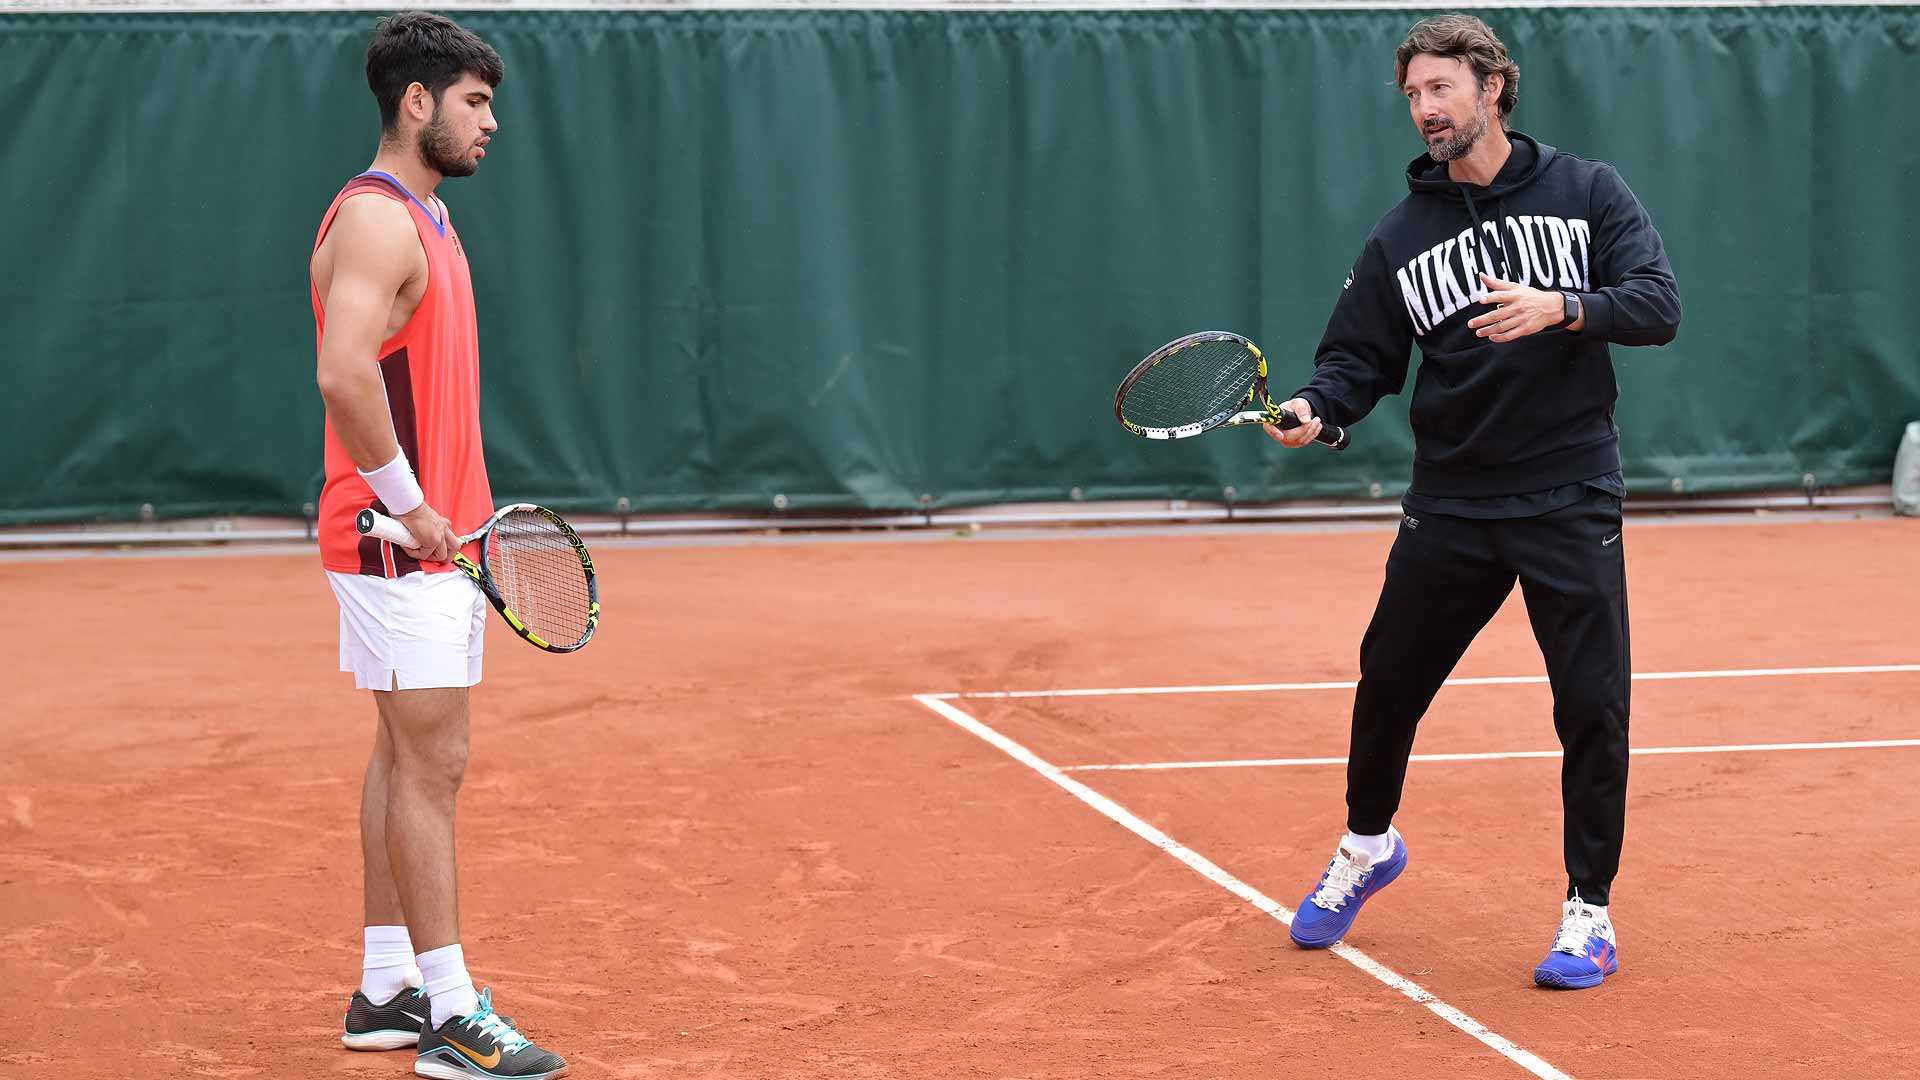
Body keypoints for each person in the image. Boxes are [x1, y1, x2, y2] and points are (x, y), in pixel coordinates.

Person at [1267, 13, 1680, 990]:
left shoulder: (1588, 192)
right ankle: (1368, 846)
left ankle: (1589, 915)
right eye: (1413, 94)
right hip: (1452, 500)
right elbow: (1356, 359)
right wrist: (1317, 408)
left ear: (1492, 87)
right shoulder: (1400, 235)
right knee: (1388, 683)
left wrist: (1563, 306)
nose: (1425, 108)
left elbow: (1657, 304)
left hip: (1569, 491)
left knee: (1592, 706)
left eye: (1441, 87)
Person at [311, 11, 568, 1074]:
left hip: (430, 540)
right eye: (474, 101)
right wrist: (411, 504)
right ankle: (453, 1018)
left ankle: (386, 988)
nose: (490, 122)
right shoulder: (379, 221)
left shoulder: (428, 215)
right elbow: (344, 372)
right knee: (435, 761)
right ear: (416, 102)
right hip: (396, 541)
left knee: (401, 753)